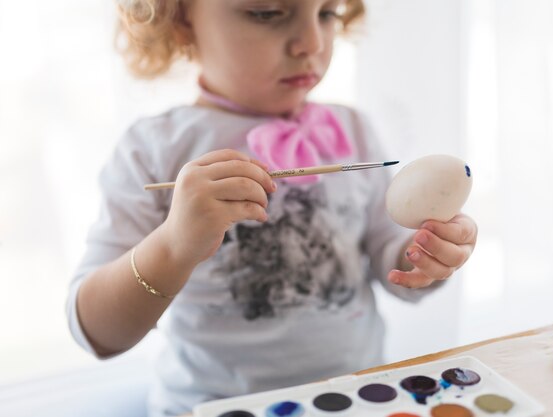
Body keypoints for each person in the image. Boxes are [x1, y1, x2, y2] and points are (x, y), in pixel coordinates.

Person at [66, 0, 478, 416]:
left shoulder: (353, 130)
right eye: (266, 13)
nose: (311, 43)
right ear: (179, 22)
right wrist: (175, 244)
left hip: (355, 401)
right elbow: (97, 333)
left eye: (326, 13)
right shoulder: (154, 148)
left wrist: (427, 252)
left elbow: (391, 257)